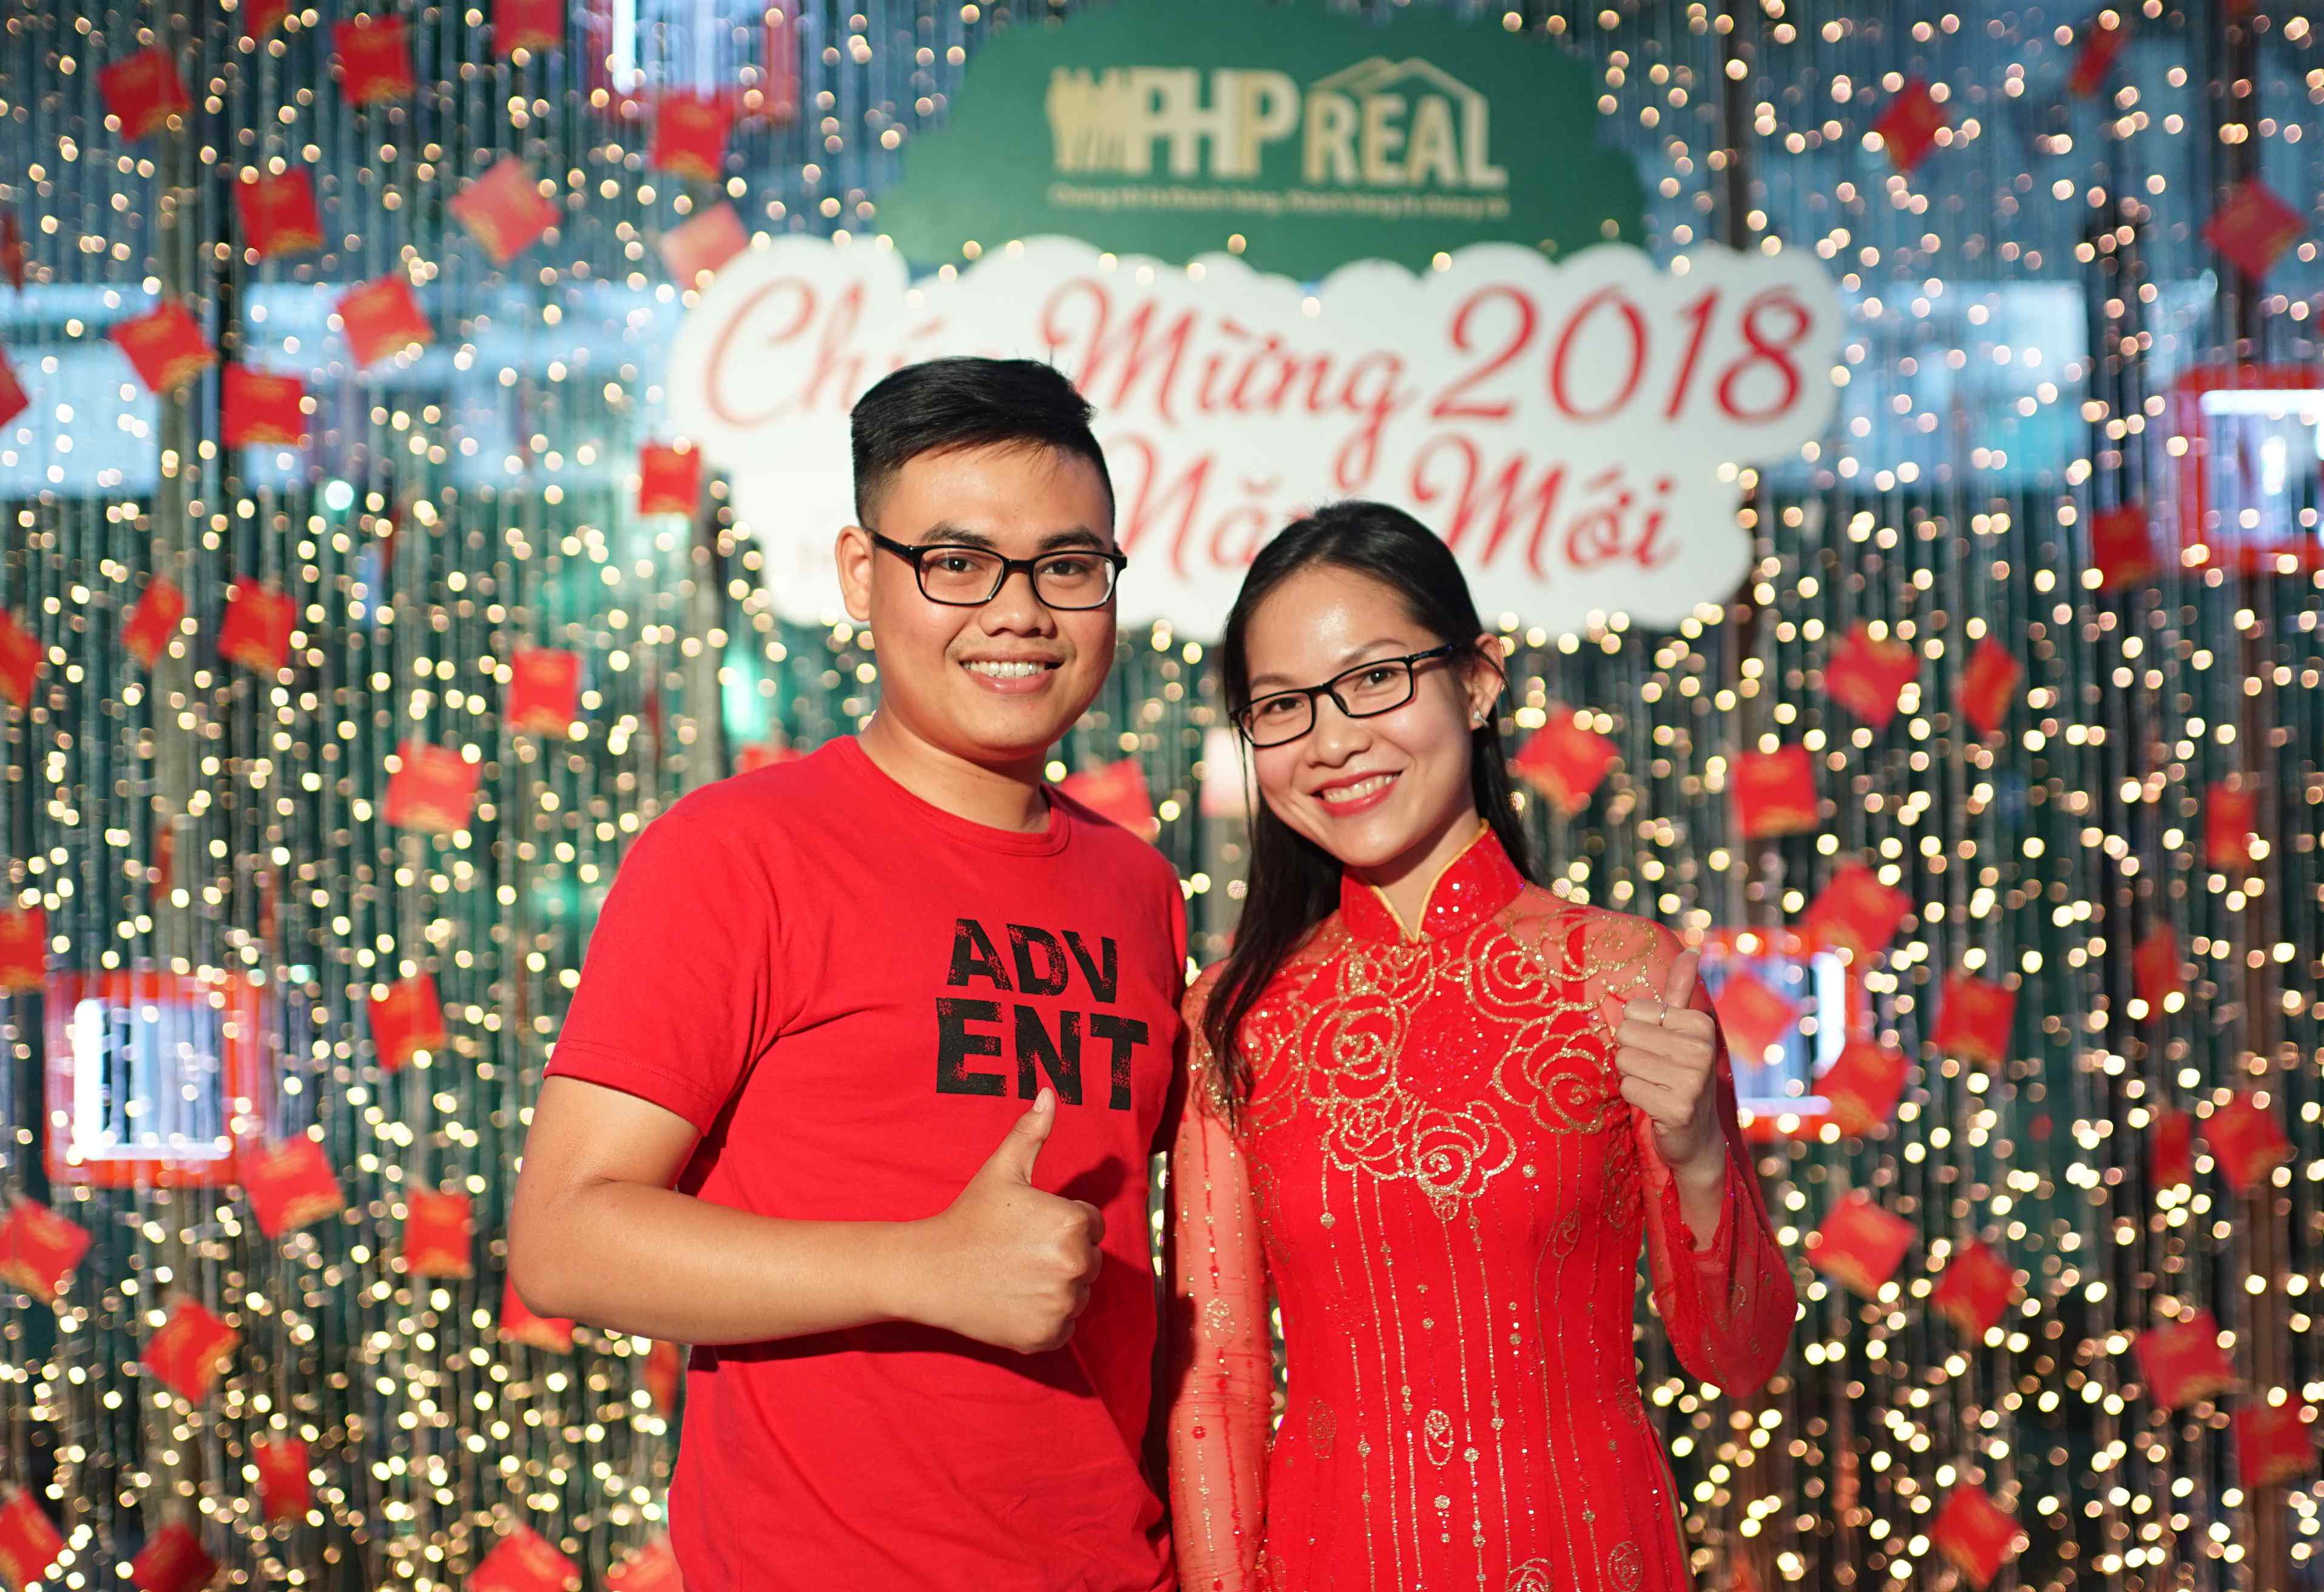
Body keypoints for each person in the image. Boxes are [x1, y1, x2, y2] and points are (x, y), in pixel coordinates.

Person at [508, 356, 1184, 1592]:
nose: (1019, 612)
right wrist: (920, 1267)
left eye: (1067, 566)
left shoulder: (1139, 890)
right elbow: (562, 1240)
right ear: (863, 575)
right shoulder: (736, 851)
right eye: (958, 562)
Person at [1167, 501, 1794, 1592]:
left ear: (1478, 680)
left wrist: (1700, 1156)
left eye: (1374, 679)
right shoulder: (1235, 1017)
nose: (1332, 740)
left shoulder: (1621, 975)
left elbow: (1735, 1356)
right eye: (1281, 705)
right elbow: (1216, 1383)